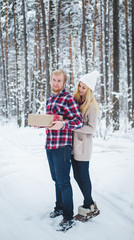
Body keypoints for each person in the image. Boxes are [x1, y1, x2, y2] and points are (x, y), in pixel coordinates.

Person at [45, 69, 84, 231]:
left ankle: (68, 217)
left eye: (59, 80)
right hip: (49, 144)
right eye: (54, 79)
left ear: (64, 82)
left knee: (63, 182)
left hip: (62, 146)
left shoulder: (68, 99)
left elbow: (79, 121)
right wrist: (40, 123)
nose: (55, 83)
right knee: (56, 179)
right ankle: (59, 207)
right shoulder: (50, 99)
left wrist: (64, 124)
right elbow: (51, 121)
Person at [71, 71, 100, 222]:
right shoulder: (76, 101)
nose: (80, 89)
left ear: (89, 90)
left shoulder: (92, 107)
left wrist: (73, 127)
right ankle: (90, 204)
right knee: (76, 176)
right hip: (72, 146)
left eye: (84, 87)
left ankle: (87, 205)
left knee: (83, 176)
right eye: (79, 86)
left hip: (83, 147)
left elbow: (92, 128)